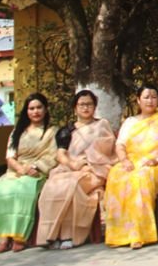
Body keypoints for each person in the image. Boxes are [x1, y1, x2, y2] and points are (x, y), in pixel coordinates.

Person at [36, 90, 116, 249]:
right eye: (82, 105)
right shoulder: (67, 130)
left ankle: (69, 235)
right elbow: (60, 154)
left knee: (72, 186)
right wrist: (73, 164)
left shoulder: (102, 125)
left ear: (95, 107)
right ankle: (50, 235)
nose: (86, 108)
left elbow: (107, 149)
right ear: (75, 108)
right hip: (70, 168)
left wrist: (88, 163)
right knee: (52, 186)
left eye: (89, 104)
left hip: (94, 170)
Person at [104, 85, 158, 249]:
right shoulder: (130, 122)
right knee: (115, 175)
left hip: (157, 163)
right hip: (131, 161)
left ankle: (139, 234)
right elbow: (120, 145)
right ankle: (119, 234)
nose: (150, 100)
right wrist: (124, 160)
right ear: (138, 100)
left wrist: (157, 158)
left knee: (140, 178)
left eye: (154, 97)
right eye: (146, 97)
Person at [0, 93, 58, 253]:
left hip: (37, 172)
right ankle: (5, 236)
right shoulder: (17, 132)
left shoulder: (52, 132)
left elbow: (52, 156)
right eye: (31, 108)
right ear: (26, 111)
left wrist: (35, 167)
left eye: (39, 107)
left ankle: (20, 237)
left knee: (22, 191)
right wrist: (20, 169)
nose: (35, 111)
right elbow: (10, 157)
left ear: (45, 109)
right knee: (1, 191)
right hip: (16, 171)